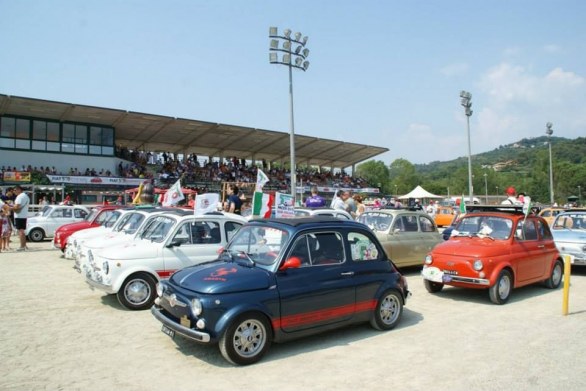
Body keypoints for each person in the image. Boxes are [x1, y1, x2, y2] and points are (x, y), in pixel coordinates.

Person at [10, 185, 30, 251]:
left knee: (20, 231)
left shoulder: (20, 196)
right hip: (24, 215)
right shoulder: (26, 196)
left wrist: (9, 208)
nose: (14, 191)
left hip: (19, 215)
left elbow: (17, 206)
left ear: (19, 190)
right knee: (22, 231)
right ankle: (24, 245)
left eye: (15, 190)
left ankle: (22, 246)